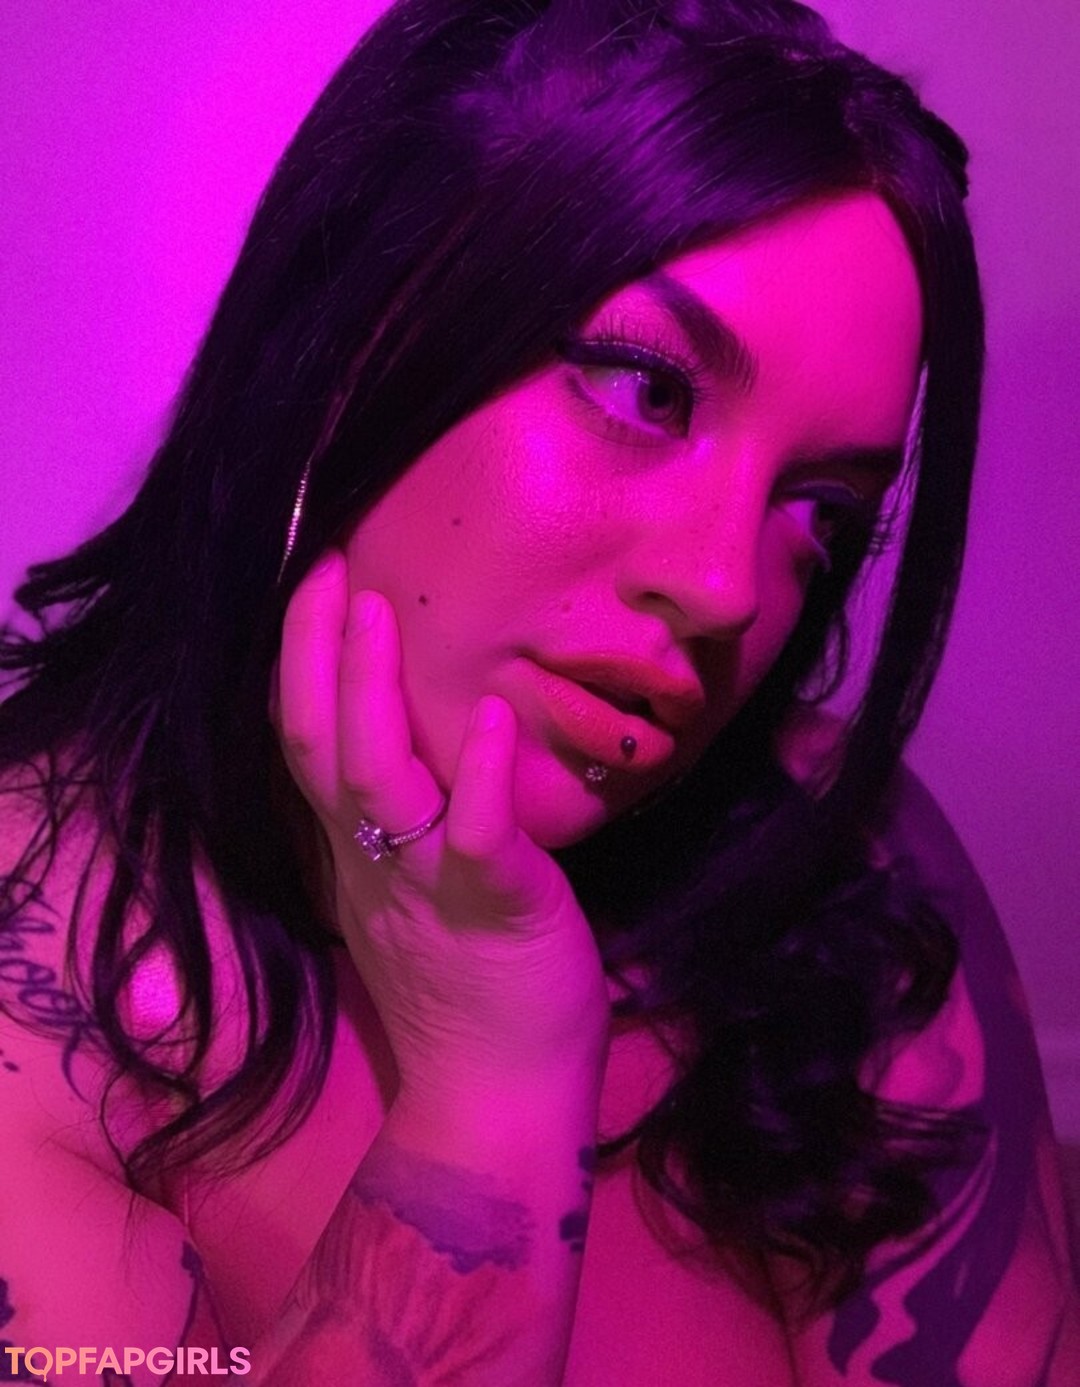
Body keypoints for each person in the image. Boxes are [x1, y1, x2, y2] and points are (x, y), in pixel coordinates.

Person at [0, 0, 1076, 1381]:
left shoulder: (836, 861)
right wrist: (488, 1086)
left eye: (818, 512)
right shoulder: (44, 1006)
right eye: (645, 391)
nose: (727, 589)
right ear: (346, 335)